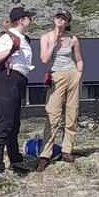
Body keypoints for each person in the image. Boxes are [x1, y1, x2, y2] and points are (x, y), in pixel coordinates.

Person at [0, 7, 35, 179]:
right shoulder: (9, 37)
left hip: (18, 80)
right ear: (21, 20)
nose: (31, 20)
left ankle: (15, 161)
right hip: (8, 80)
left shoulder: (23, 38)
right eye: (28, 18)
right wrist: (11, 50)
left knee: (14, 124)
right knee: (4, 124)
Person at [36, 10, 83, 170]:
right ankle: (45, 154)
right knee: (53, 114)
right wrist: (54, 41)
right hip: (56, 75)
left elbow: (79, 59)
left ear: (68, 22)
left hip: (72, 74)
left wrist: (79, 73)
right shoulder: (46, 37)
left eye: (64, 18)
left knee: (72, 112)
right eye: (58, 17)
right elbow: (44, 59)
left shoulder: (73, 39)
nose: (60, 20)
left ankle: (67, 150)